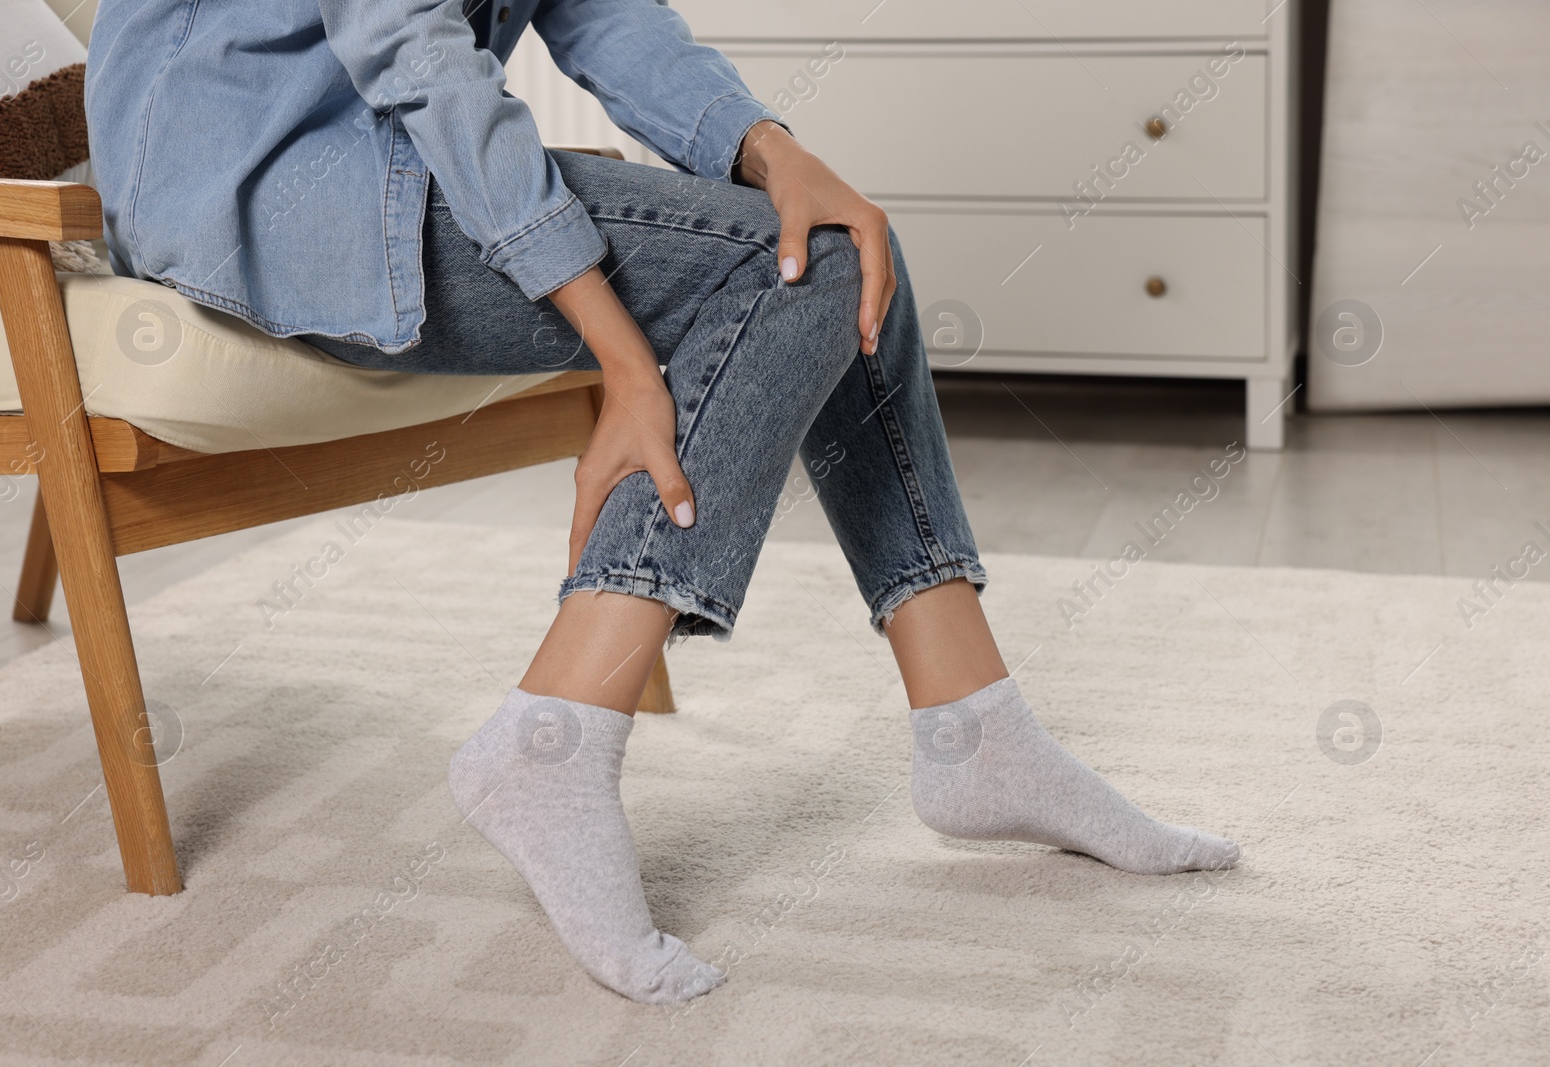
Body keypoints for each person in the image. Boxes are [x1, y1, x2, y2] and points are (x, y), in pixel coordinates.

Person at [86, 0, 1239, 1006]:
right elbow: (405, 41)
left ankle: (975, 730)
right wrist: (621, 359)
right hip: (263, 177)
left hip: (388, 153)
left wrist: (767, 148)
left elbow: (601, 11)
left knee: (836, 241)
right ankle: (555, 728)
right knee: (816, 265)